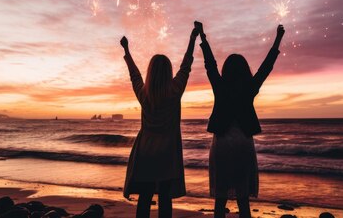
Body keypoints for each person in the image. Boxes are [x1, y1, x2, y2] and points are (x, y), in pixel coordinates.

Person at [196, 21, 285, 218]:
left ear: (226, 70)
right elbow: (266, 67)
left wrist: (202, 37)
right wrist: (278, 39)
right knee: (243, 199)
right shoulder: (250, 87)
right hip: (244, 144)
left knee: (220, 200)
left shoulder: (220, 86)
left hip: (221, 145)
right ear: (245, 69)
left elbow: (210, 64)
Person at [121, 26, 199, 218]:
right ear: (168, 72)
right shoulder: (174, 91)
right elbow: (186, 66)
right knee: (165, 197)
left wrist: (127, 51)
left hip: (146, 150)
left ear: (150, 72)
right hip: (167, 153)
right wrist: (192, 38)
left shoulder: (144, 94)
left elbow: (134, 75)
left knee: (145, 196)